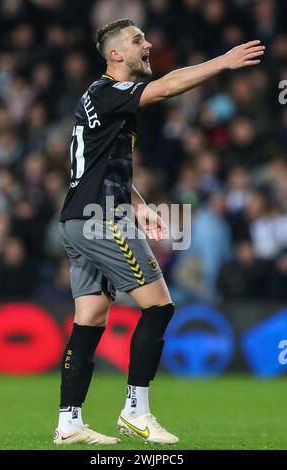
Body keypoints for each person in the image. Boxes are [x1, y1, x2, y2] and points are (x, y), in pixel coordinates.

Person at [54, 18, 265, 445]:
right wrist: (221, 63)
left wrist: (141, 205)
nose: (148, 45)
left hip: (77, 221)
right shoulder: (111, 91)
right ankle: (136, 411)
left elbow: (103, 165)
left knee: (90, 319)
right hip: (101, 220)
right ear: (116, 54)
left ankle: (69, 422)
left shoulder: (96, 98)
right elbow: (167, 88)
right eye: (138, 41)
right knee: (160, 307)